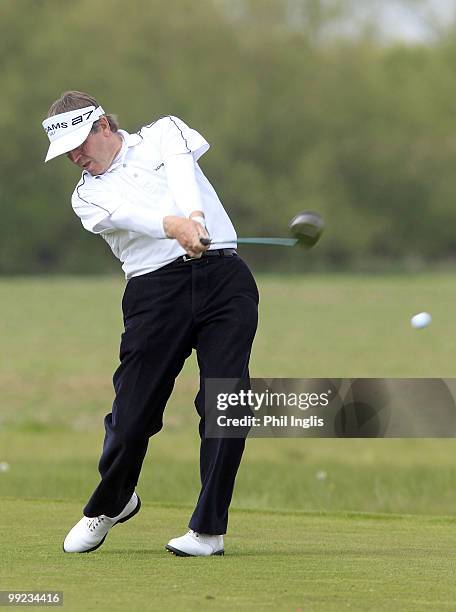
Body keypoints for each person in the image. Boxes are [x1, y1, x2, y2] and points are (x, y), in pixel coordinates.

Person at [42, 91, 259, 557]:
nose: (76, 157)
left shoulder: (165, 132)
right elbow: (135, 218)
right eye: (67, 154)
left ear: (103, 125)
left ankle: (207, 531)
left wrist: (195, 218)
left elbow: (184, 173)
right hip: (155, 294)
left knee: (226, 402)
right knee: (133, 413)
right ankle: (113, 502)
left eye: (79, 144)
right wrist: (175, 226)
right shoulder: (88, 196)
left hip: (225, 279)